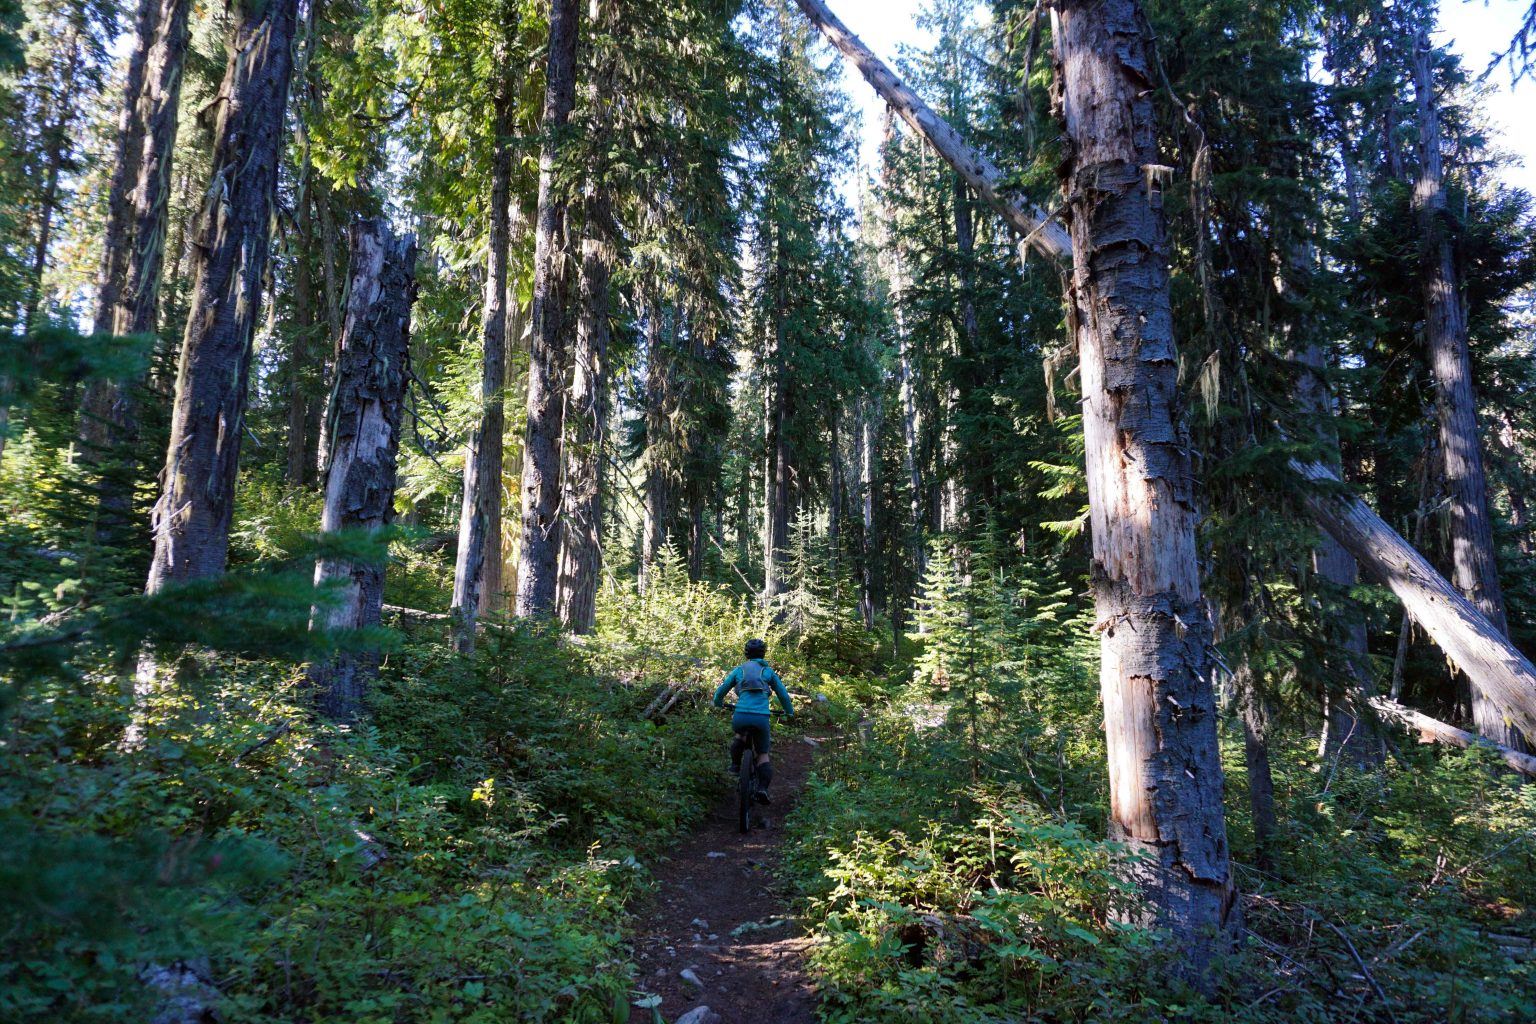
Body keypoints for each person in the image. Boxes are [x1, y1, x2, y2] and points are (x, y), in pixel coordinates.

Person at [713, 638, 794, 803]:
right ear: (763, 653)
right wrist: (788, 712)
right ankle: (762, 789)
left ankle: (735, 766)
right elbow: (783, 695)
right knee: (763, 754)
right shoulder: (768, 672)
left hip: (740, 716)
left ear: (746, 654)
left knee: (740, 737)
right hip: (761, 718)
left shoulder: (739, 670)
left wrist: (718, 703)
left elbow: (722, 689)